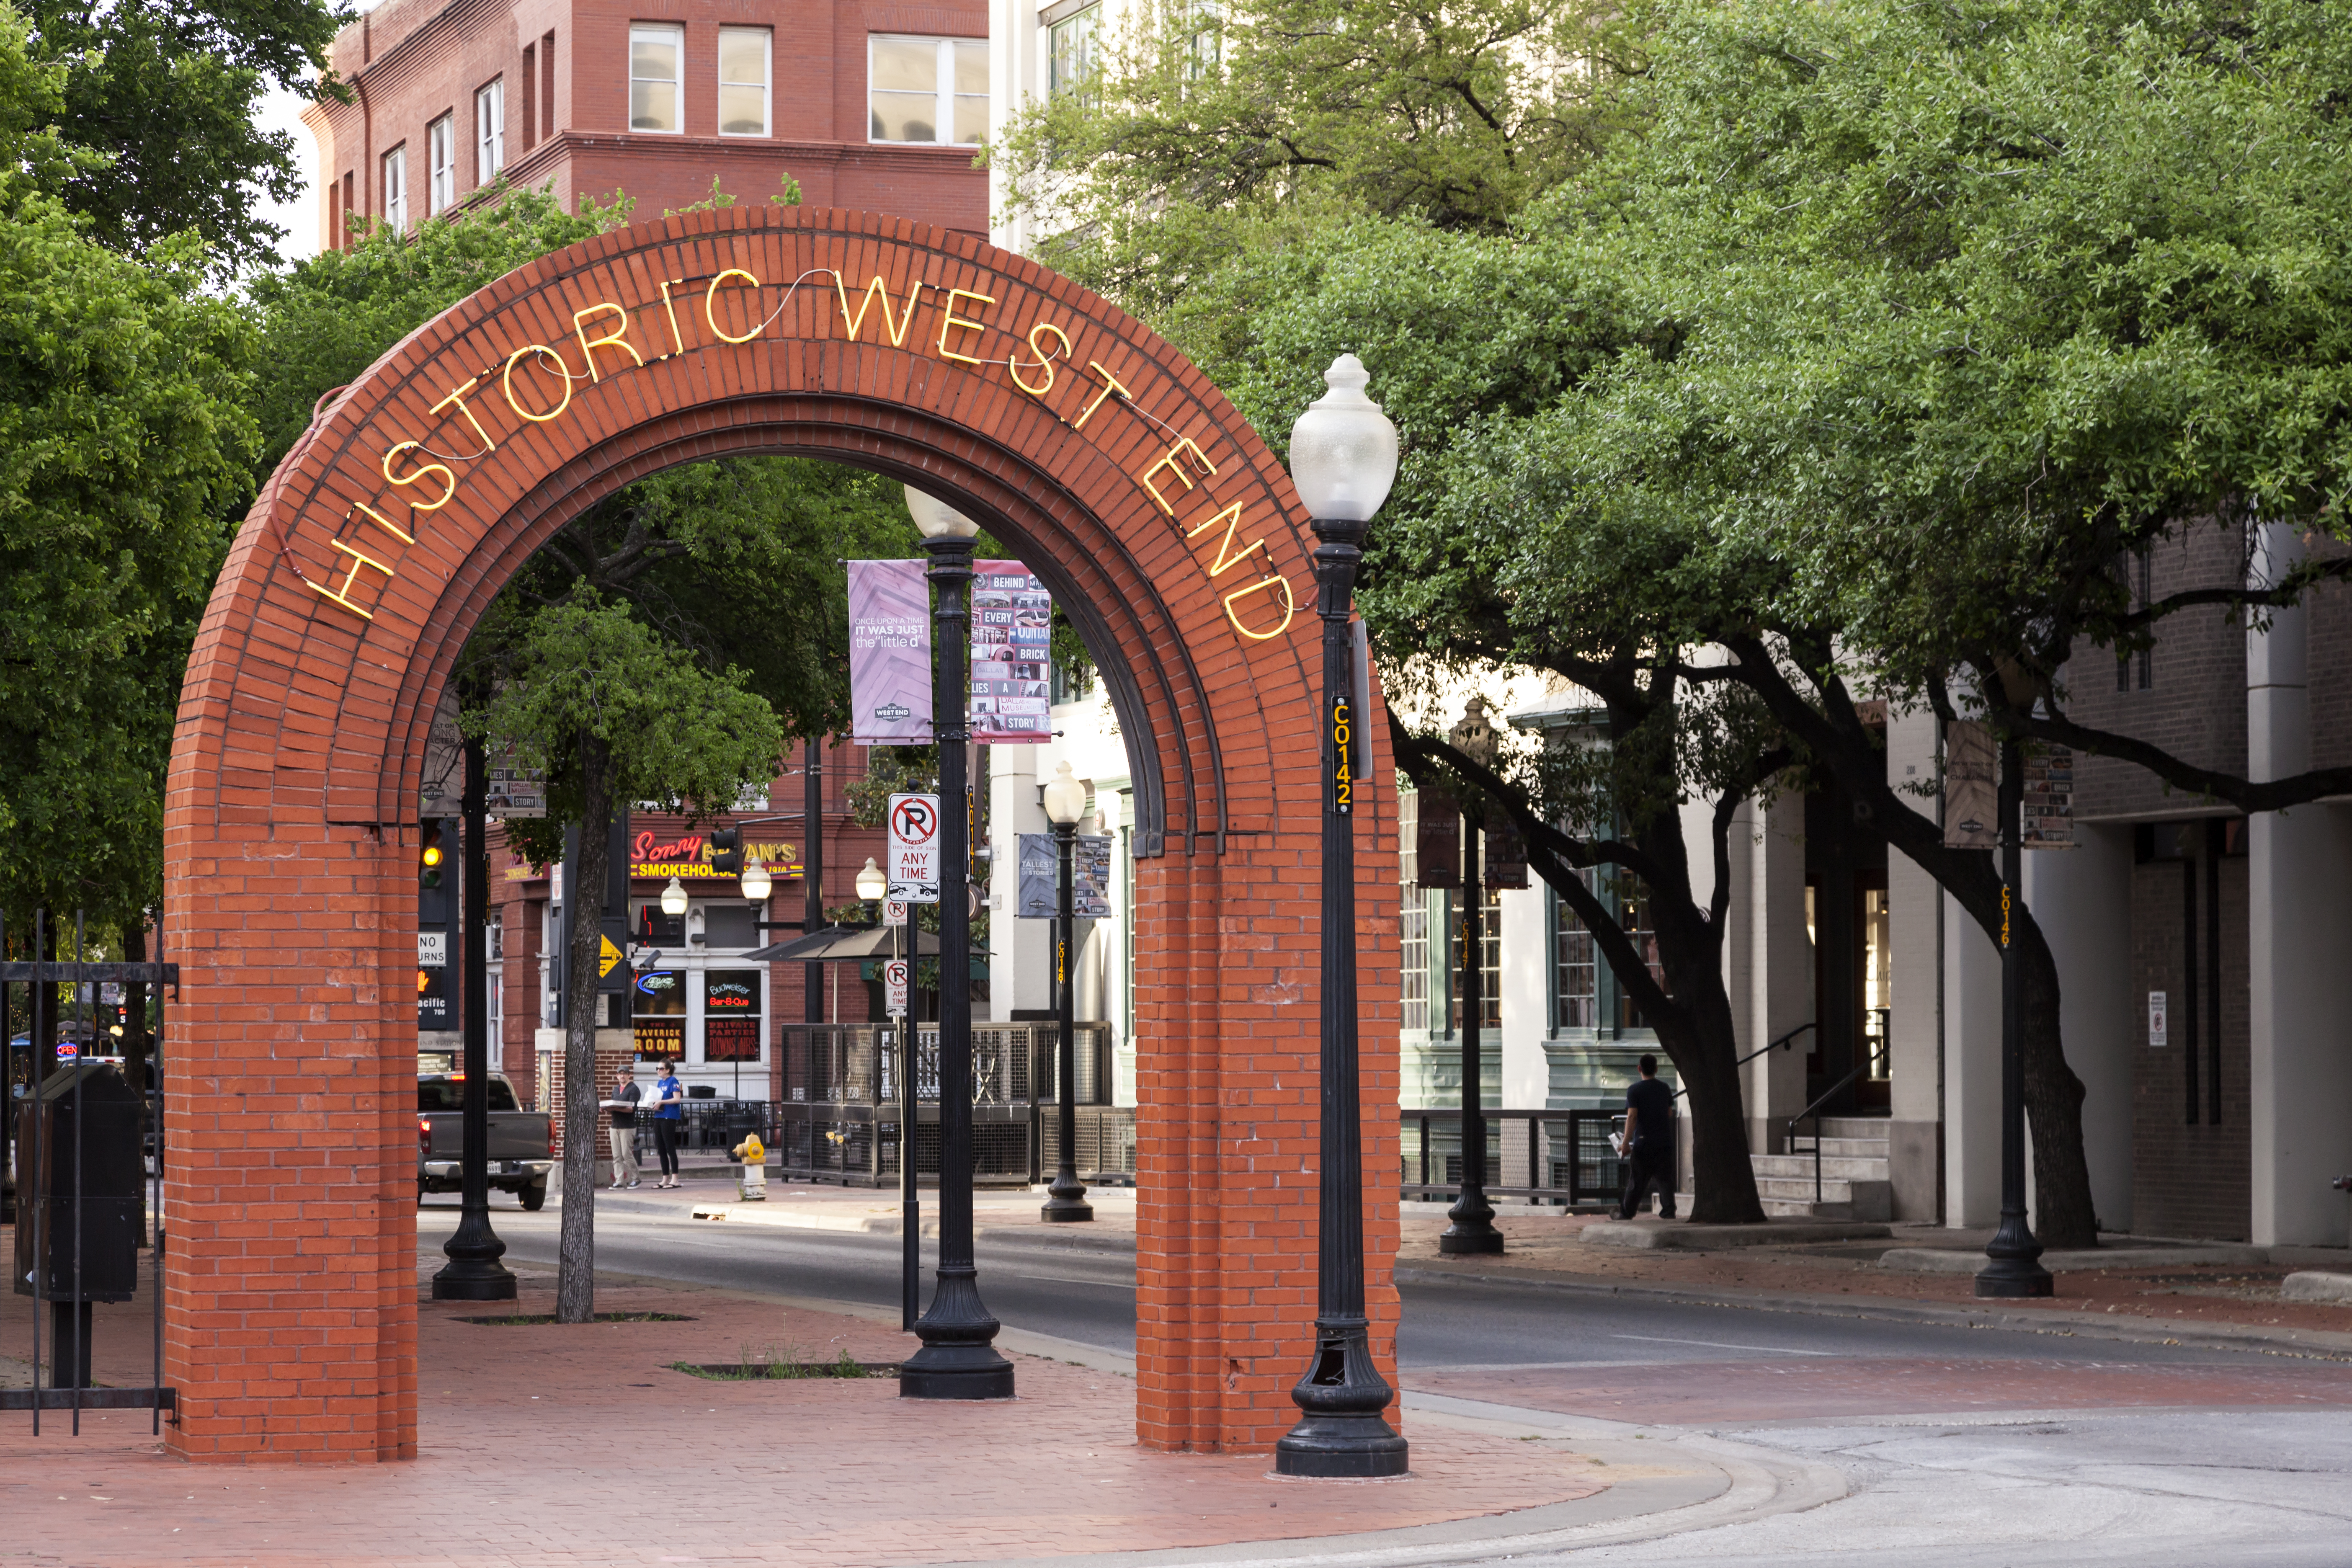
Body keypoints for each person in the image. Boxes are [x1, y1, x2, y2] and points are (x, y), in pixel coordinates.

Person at [1617, 1053, 1679, 1220]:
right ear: (1657, 1069)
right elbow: (1668, 1113)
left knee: (1637, 1181)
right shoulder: (1665, 1088)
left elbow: (1632, 1117)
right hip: (1664, 1142)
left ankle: (1626, 1213)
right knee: (1665, 1181)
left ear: (1639, 1069)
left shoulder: (1634, 1090)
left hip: (1644, 1142)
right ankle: (1668, 1212)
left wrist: (1625, 1143)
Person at [649, 1059, 686, 1188]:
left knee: (670, 1147)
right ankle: (665, 1178)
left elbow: (677, 1099)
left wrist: (662, 1103)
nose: (659, 1071)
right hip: (659, 1115)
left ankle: (675, 1178)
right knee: (661, 1148)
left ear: (668, 1070)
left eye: (661, 1069)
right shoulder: (660, 1082)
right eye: (657, 1069)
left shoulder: (673, 1081)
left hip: (669, 1117)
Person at [604, 1067, 642, 1190]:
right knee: (617, 1156)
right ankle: (619, 1181)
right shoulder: (616, 1089)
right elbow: (612, 1104)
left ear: (629, 1076)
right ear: (617, 1076)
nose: (622, 1076)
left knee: (626, 1154)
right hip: (615, 1126)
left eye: (625, 1074)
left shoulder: (633, 1089)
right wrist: (606, 1108)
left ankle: (636, 1179)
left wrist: (614, 1109)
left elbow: (631, 1109)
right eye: (620, 1074)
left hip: (627, 1126)